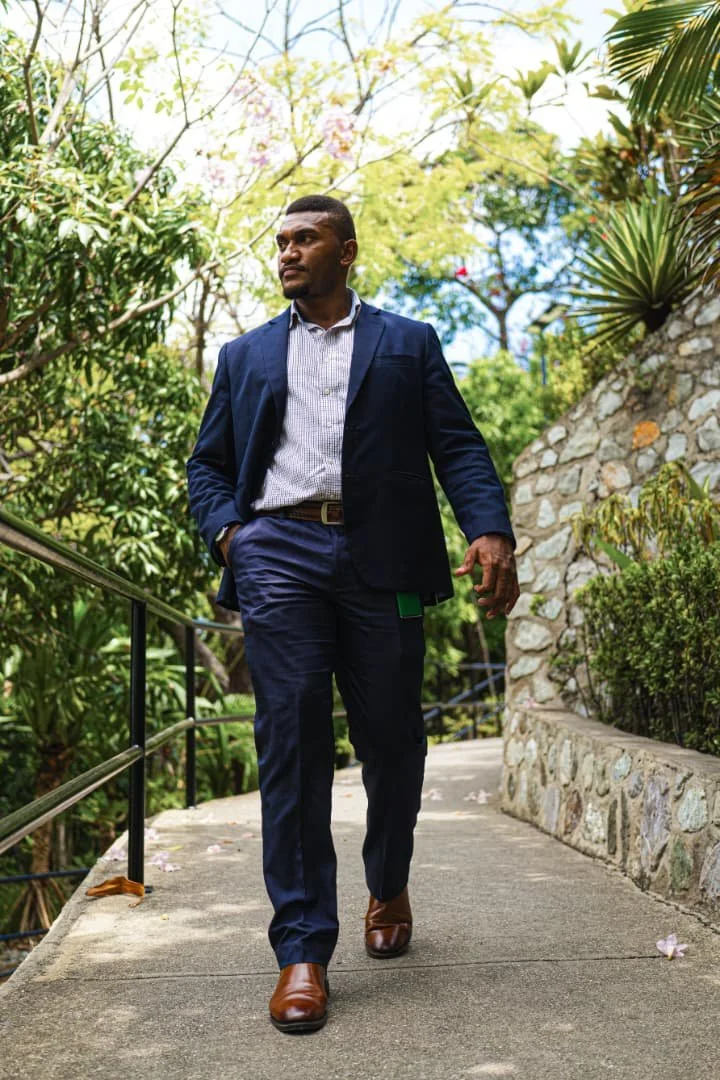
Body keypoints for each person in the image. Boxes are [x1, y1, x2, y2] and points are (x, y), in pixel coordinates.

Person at [186, 194, 518, 1034]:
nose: (288, 253)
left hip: (384, 563)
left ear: (347, 250)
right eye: (282, 242)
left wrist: (488, 529)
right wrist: (233, 537)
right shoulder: (245, 354)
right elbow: (209, 467)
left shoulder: (409, 343)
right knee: (291, 737)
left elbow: (460, 446)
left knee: (395, 740)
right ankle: (302, 949)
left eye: (305, 239)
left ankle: (389, 878)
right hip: (280, 554)